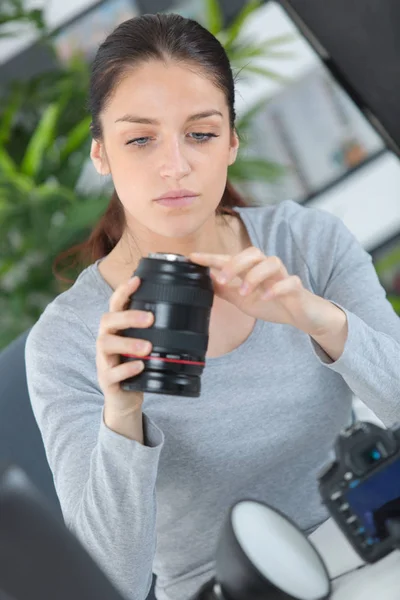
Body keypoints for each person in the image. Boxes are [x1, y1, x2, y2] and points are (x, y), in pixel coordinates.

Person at [24, 12, 400, 600]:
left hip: (368, 544)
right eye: (140, 138)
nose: (174, 165)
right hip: (225, 588)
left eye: (199, 134)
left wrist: (320, 320)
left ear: (231, 141)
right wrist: (122, 417)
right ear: (101, 155)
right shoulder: (69, 340)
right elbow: (107, 581)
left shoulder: (306, 242)